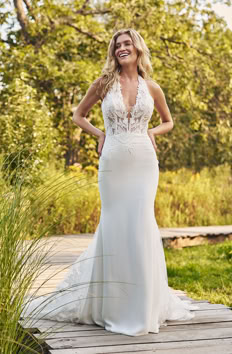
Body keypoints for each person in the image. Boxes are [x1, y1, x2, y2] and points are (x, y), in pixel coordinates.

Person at [22, 28, 199, 337]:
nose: (122, 49)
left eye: (127, 43)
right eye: (117, 45)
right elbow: (79, 115)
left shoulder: (152, 87)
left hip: (144, 162)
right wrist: (101, 134)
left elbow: (168, 121)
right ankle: (113, 305)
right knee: (115, 224)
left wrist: (152, 133)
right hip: (113, 160)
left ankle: (143, 305)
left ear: (138, 48)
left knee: (141, 223)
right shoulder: (103, 84)